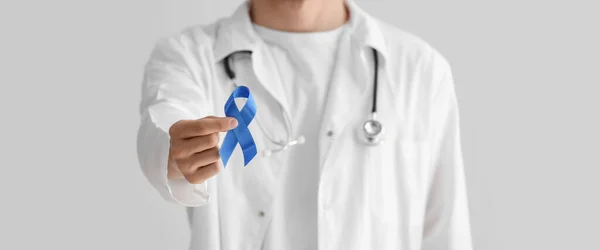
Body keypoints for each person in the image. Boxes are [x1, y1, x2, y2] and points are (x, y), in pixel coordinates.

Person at [137, 0, 473, 249]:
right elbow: (165, 122)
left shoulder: (420, 69)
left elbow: (446, 230)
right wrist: (179, 151)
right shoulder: (188, 57)